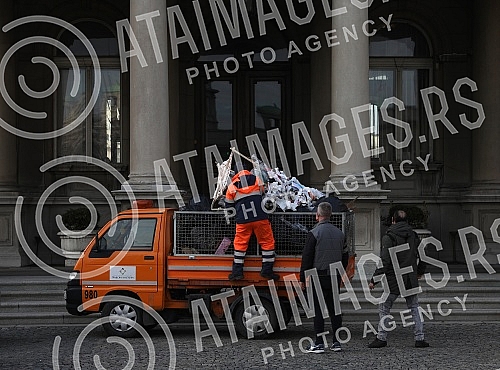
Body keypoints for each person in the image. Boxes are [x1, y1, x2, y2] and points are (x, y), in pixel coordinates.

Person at [368, 209, 429, 348]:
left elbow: (385, 261)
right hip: (410, 277)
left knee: (384, 307)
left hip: (394, 278)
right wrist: (419, 271)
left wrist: (374, 280)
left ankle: (381, 337)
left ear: (393, 220)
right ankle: (420, 338)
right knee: (414, 307)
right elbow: (423, 256)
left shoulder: (389, 237)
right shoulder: (413, 235)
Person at [300, 202, 349, 353]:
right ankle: (337, 342)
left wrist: (303, 278)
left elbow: (307, 257)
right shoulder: (340, 233)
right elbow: (345, 256)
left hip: (317, 276)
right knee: (335, 310)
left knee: (318, 310)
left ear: (318, 215)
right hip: (334, 276)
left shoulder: (314, 233)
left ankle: (319, 342)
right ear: (330, 215)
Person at [225, 161, 279, 281]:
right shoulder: (257, 180)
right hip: (260, 217)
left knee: (240, 244)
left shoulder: (232, 186)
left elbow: (229, 207)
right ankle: (267, 270)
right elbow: (263, 194)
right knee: (267, 242)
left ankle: (237, 272)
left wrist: (236, 216)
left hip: (243, 220)